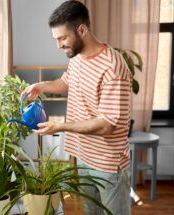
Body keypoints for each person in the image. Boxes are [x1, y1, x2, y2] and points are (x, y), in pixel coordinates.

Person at [21, 1, 131, 214]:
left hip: (108, 164)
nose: (59, 45)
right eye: (56, 39)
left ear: (82, 30)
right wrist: (42, 85)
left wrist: (60, 127)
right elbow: (68, 82)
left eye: (62, 38)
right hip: (84, 156)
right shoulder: (77, 57)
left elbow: (106, 125)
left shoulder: (113, 66)